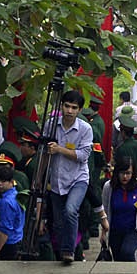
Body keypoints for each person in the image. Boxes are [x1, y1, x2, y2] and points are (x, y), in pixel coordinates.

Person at [40, 92, 94, 263]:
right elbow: (44, 151)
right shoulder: (51, 125)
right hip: (56, 178)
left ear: (79, 110)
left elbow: (83, 155)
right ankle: (61, 251)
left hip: (78, 178)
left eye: (74, 107)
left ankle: (68, 251)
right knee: (57, 221)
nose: (69, 111)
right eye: (67, 106)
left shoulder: (85, 129)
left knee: (71, 210)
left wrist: (59, 149)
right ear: (61, 106)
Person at [97, 160, 137, 261]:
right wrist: (103, 232)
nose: (125, 177)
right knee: (118, 259)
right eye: (122, 173)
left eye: (128, 173)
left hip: (134, 230)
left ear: (133, 173)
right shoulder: (109, 187)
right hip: (115, 231)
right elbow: (104, 210)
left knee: (127, 253)